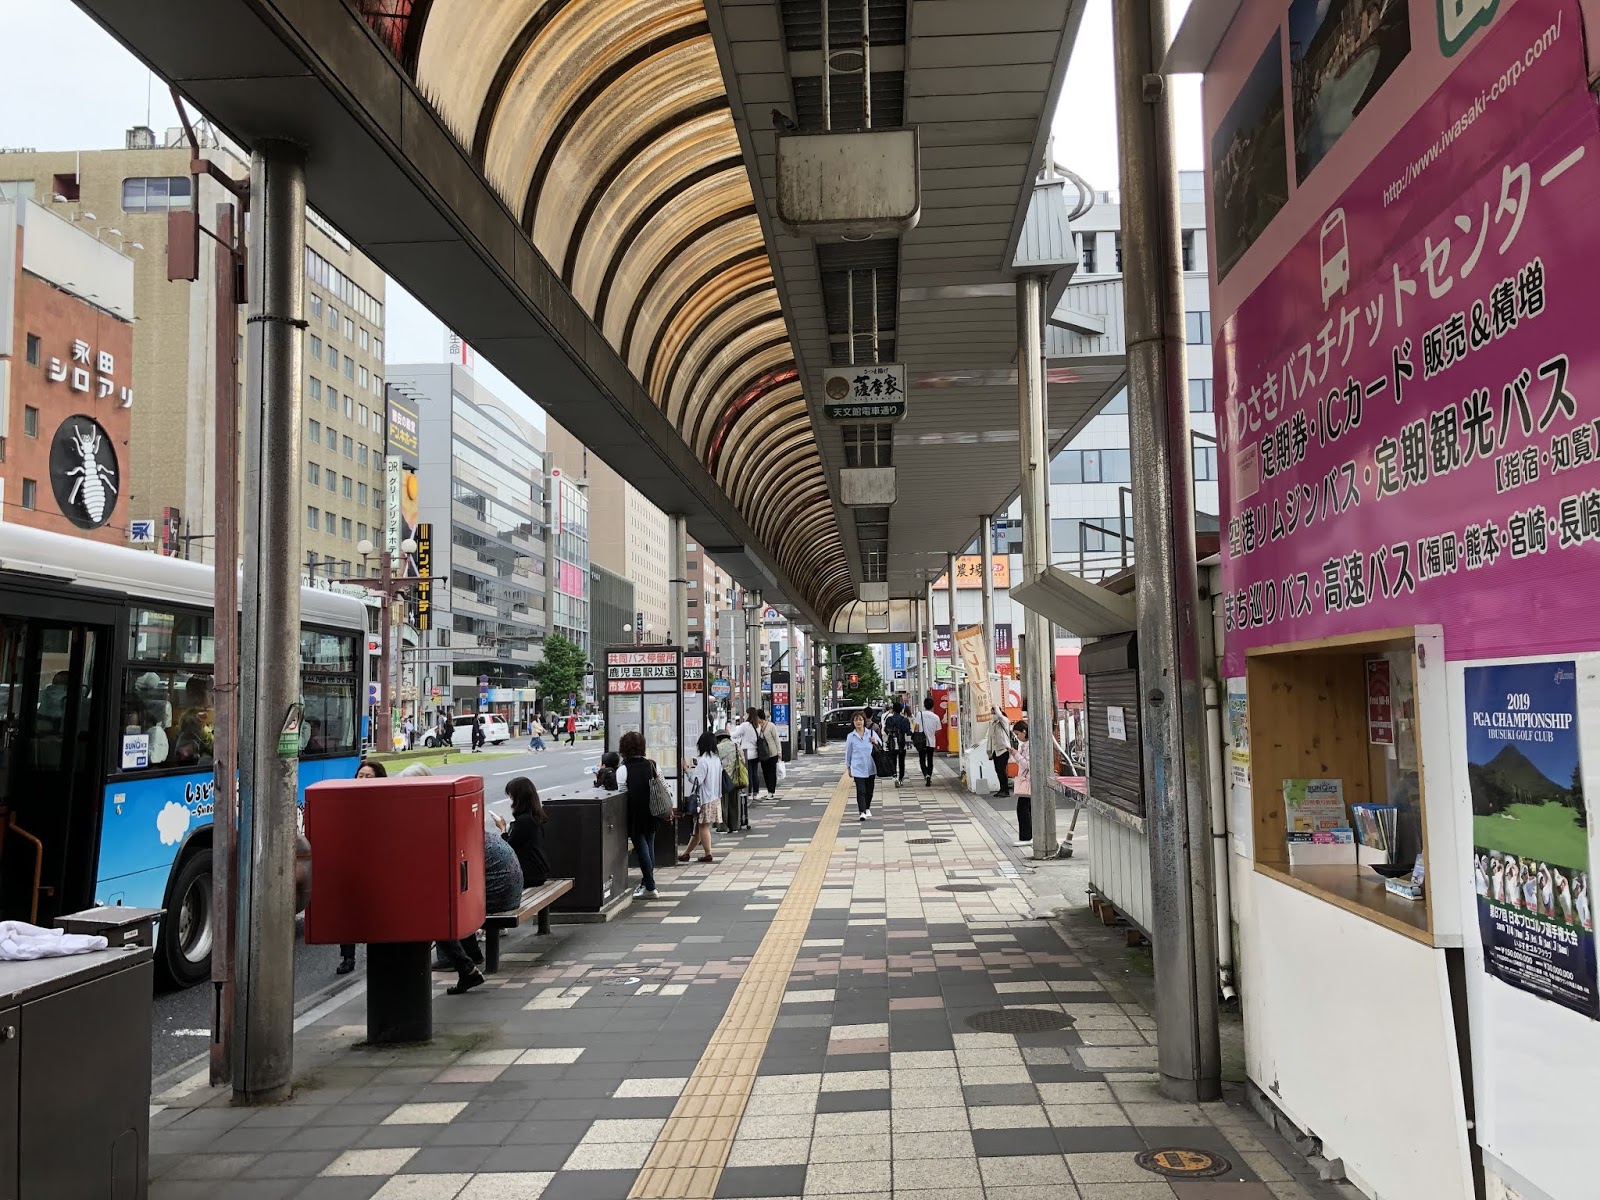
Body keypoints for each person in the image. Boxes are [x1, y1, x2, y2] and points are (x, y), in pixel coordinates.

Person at [437, 823, 522, 995]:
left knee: (441, 912)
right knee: (456, 903)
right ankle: (471, 958)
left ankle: (461, 964)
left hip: (499, 897)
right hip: (510, 893)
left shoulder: (463, 844)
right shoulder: (479, 837)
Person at [338, 760, 390, 974]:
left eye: (369, 776)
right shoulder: (347, 800)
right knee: (349, 914)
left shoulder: (387, 802)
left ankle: (380, 957)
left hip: (378, 868)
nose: (363, 779)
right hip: (353, 865)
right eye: (361, 776)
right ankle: (347, 957)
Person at [619, 730, 667, 899]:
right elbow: (662, 784)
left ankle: (650, 886)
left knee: (642, 850)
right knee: (649, 847)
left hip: (634, 814)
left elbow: (621, 793)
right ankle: (647, 884)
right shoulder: (652, 764)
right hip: (652, 811)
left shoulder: (623, 769)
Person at [492, 776, 549, 886]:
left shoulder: (524, 821)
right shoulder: (535, 816)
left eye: (511, 797)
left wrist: (503, 829)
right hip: (539, 870)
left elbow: (508, 850)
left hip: (529, 874)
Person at [679, 730, 723, 864]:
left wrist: (686, 769)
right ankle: (686, 854)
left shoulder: (703, 761)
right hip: (715, 797)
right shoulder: (716, 759)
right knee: (698, 828)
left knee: (702, 827)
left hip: (705, 799)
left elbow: (696, 780)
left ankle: (708, 853)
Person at [844, 710, 882, 821]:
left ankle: (867, 807)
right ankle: (862, 811)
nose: (858, 722)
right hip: (857, 767)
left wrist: (875, 741)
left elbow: (880, 745)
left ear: (864, 721)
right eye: (856, 720)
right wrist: (848, 767)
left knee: (869, 790)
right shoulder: (851, 736)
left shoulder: (870, 733)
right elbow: (848, 752)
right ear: (853, 722)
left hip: (870, 766)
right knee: (861, 790)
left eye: (860, 719)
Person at [715, 730, 745, 833]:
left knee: (723, 803)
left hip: (723, 779)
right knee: (734, 803)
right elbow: (743, 761)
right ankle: (734, 826)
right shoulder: (736, 746)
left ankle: (723, 827)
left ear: (718, 739)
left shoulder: (719, 748)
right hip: (736, 778)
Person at [1013, 720, 1033, 847]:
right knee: (1026, 808)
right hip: (1026, 779)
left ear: (1024, 731)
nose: (1017, 737)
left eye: (1017, 734)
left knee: (1023, 808)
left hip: (1028, 780)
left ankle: (1026, 837)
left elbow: (1027, 764)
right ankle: (1027, 836)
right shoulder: (1025, 745)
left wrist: (1016, 755)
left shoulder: (1029, 746)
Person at [987, 706, 1015, 798]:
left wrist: (995, 707)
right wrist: (989, 752)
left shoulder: (1004, 721)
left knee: (1001, 770)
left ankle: (1005, 790)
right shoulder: (992, 724)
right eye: (992, 713)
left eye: (994, 713)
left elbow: (1000, 716)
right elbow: (990, 739)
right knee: (998, 770)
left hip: (1003, 749)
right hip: (995, 750)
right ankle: (1002, 788)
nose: (993, 715)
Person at [733, 707, 761, 795]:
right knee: (754, 774)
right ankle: (755, 792)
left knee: (747, 773)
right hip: (756, 753)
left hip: (746, 754)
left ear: (749, 714)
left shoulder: (745, 725)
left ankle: (748, 791)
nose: (745, 715)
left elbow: (734, 735)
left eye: (746, 713)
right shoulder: (758, 726)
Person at [914, 697, 940, 787]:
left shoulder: (919, 714)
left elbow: (916, 727)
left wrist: (916, 735)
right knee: (930, 759)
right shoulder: (936, 717)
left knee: (922, 758)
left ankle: (925, 774)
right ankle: (929, 775)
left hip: (921, 741)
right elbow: (937, 730)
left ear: (924, 705)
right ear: (933, 706)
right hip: (931, 741)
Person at [884, 701, 912, 787]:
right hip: (901, 742)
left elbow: (886, 730)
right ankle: (901, 778)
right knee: (901, 761)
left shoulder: (889, 719)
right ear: (901, 710)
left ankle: (894, 775)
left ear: (893, 710)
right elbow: (908, 732)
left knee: (892, 760)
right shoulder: (905, 720)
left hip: (892, 741)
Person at [756, 711, 781, 798]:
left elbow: (776, 739)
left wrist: (779, 751)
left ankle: (772, 791)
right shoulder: (757, 727)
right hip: (763, 754)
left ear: (760, 717)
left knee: (771, 772)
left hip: (772, 753)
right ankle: (769, 790)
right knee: (765, 772)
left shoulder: (771, 726)